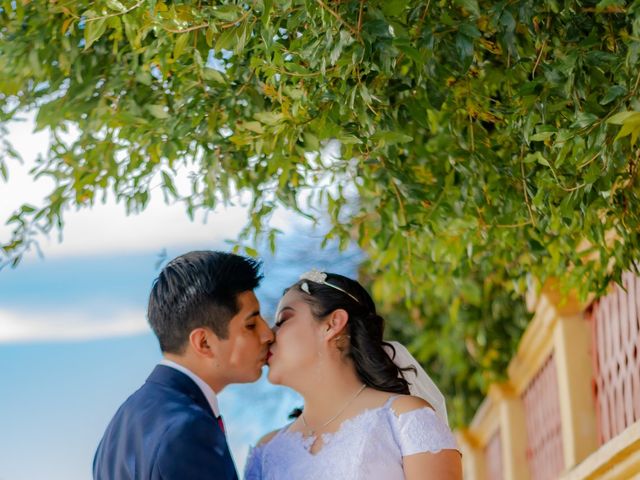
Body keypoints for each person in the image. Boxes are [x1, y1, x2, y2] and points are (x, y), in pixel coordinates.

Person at [245, 270, 462, 479]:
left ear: (332, 324)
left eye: (283, 320)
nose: (268, 335)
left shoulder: (404, 418)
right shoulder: (265, 451)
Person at [93, 251, 274, 480]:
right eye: (251, 324)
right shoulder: (189, 428)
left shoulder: (118, 430)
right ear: (204, 342)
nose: (267, 334)